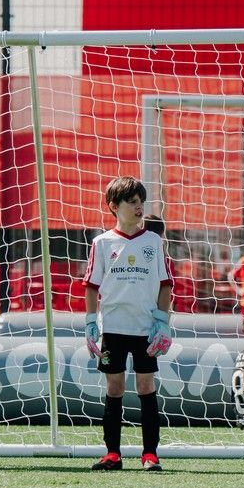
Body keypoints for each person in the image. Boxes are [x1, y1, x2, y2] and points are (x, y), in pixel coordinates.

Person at [83, 176, 173, 471]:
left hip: (145, 329)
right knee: (115, 386)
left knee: (146, 385)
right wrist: (89, 323)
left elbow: (164, 284)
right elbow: (92, 286)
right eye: (132, 202)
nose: (139, 207)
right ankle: (112, 453)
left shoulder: (153, 242)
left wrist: (162, 322)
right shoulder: (102, 243)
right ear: (113, 206)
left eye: (141, 202)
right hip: (114, 328)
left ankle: (150, 454)